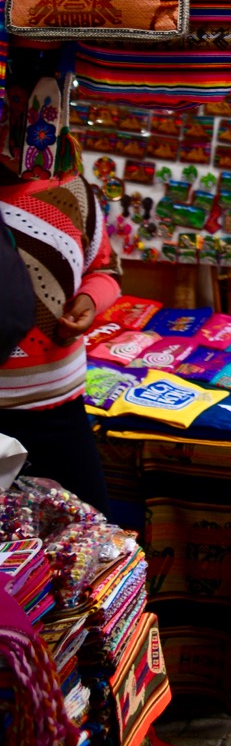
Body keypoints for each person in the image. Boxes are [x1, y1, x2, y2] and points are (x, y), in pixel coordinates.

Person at [0, 172, 118, 513]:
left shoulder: (70, 189)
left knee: (95, 547)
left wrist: (90, 301)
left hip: (60, 413)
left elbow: (106, 270)